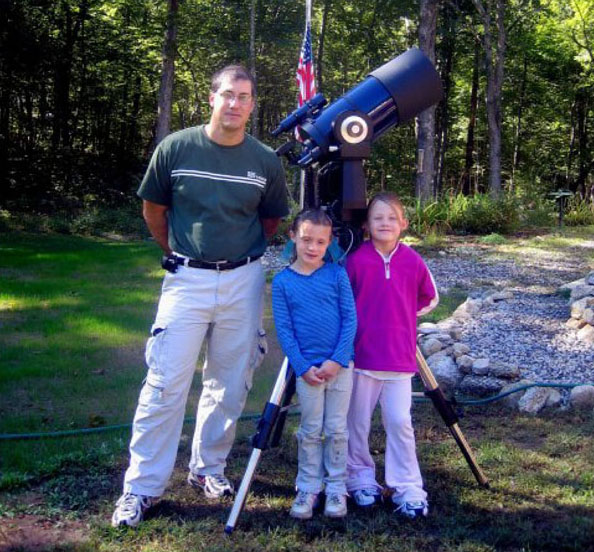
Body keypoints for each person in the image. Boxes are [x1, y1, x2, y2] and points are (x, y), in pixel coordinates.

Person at [111, 65, 289, 527]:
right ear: (212, 98)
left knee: (230, 382)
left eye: (244, 96)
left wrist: (237, 256)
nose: (235, 104)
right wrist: (175, 251)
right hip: (186, 280)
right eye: (228, 94)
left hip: (243, 281)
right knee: (165, 381)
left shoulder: (265, 160)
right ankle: (142, 487)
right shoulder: (176, 148)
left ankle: (208, 468)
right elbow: (154, 209)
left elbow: (270, 221)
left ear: (252, 104)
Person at [345, 192, 438, 518]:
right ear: (367, 225)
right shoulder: (356, 260)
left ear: (403, 224)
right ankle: (359, 479)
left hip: (399, 360)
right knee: (356, 423)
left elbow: (430, 298)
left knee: (400, 423)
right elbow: (345, 302)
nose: (385, 223)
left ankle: (407, 487)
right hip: (362, 359)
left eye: (391, 218)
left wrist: (402, 317)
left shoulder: (412, 260)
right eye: (377, 218)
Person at [271, 209, 357, 520]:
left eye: (320, 242)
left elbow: (350, 319)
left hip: (340, 368)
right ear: (292, 236)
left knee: (336, 429)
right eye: (306, 239)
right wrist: (302, 366)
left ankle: (336, 487)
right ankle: (308, 486)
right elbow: (284, 330)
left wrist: (337, 359)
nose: (312, 247)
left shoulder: (336, 274)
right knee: (310, 429)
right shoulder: (282, 282)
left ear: (329, 243)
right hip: (307, 371)